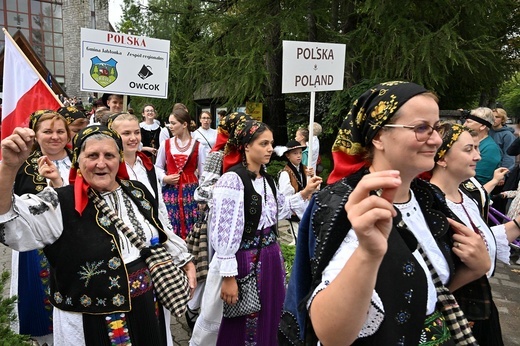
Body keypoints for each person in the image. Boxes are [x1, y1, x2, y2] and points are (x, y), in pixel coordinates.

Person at [279, 81, 489, 345]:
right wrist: (367, 254)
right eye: (421, 128)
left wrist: (475, 269)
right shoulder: (343, 204)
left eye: (437, 128)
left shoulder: (428, 197)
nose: (436, 139)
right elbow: (331, 335)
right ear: (378, 136)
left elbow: (430, 292)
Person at [0, 125, 196, 345]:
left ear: (119, 159)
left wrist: (184, 260)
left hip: (148, 307)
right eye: (92, 155)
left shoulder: (136, 191)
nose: (101, 163)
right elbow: (10, 223)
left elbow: (158, 231)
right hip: (89, 320)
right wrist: (9, 167)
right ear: (78, 160)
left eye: (109, 155)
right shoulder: (59, 202)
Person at [191, 119, 321, 346]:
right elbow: (224, 232)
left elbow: (278, 210)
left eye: (271, 143)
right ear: (246, 146)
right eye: (263, 143)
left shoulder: (267, 180)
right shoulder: (232, 181)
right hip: (244, 261)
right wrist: (229, 276)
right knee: (242, 318)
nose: (270, 148)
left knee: (270, 315)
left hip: (270, 256)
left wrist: (305, 192)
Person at [430, 122, 520, 345]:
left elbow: (485, 240)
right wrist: (477, 268)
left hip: (480, 305)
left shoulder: (466, 196)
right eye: (468, 149)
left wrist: (518, 223)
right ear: (441, 158)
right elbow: (432, 284)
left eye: (477, 148)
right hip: (455, 314)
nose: (478, 157)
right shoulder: (431, 206)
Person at [9, 110, 73, 346]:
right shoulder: (22, 166)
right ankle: (44, 340)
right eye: (47, 131)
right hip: (36, 243)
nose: (55, 137)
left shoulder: (80, 158)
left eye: (60, 131)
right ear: (35, 135)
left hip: (75, 239)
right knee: (39, 295)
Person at [188, 111, 252, 338]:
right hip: (219, 224)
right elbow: (202, 192)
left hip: (245, 226)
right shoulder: (218, 156)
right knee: (215, 275)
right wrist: (226, 194)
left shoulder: (248, 155)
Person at [155, 107, 202, 239]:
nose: (170, 126)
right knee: (171, 221)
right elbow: (157, 167)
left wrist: (202, 197)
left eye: (173, 123)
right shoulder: (166, 144)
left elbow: (203, 174)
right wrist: (165, 178)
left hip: (191, 193)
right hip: (171, 192)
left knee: (191, 223)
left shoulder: (198, 146)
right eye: (169, 123)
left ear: (185, 124)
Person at [274, 140, 314, 244]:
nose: (299, 156)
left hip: (305, 211)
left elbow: (313, 189)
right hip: (293, 215)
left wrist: (312, 177)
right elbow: (285, 199)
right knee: (296, 241)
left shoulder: (305, 170)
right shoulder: (285, 174)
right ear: (288, 156)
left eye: (300, 153)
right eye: (295, 153)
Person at [463, 107, 502, 185]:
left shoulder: (490, 149)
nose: (464, 125)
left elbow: (479, 179)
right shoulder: (466, 142)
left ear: (483, 126)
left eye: (468, 122)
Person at [192, 111, 217, 176]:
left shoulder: (215, 132)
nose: (206, 120)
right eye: (204, 118)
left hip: (213, 161)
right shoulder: (195, 134)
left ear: (211, 120)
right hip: (201, 162)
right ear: (200, 120)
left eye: (208, 118)